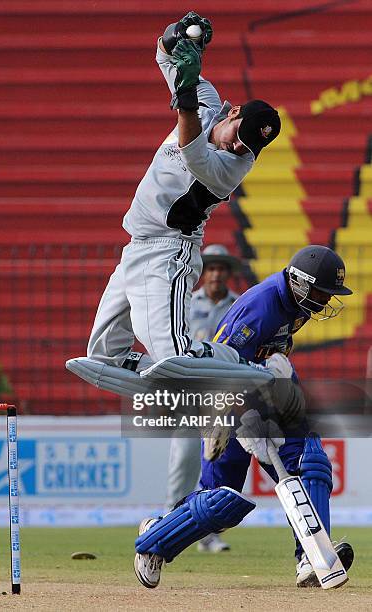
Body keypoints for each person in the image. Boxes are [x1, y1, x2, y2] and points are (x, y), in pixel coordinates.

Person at [73, 11, 280, 378]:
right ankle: (133, 364)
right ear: (232, 113)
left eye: (247, 147)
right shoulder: (207, 100)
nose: (237, 147)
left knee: (173, 352)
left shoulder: (235, 166)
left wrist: (185, 92)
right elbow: (164, 55)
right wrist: (180, 36)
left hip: (170, 251)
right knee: (103, 351)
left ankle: (243, 361)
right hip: (136, 244)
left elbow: (192, 150)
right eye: (238, 134)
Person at [134, 245, 355, 589]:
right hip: (227, 403)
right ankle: (156, 539)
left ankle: (312, 557)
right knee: (222, 501)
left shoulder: (298, 304)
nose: (326, 302)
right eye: (322, 293)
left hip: (272, 395)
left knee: (310, 463)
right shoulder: (259, 308)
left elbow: (270, 353)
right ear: (300, 282)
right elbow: (218, 368)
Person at [165, 244, 240, 552]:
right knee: (184, 457)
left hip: (223, 394)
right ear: (203, 272)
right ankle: (170, 520)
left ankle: (208, 532)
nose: (215, 274)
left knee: (215, 460)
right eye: (210, 268)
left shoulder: (238, 304)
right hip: (189, 391)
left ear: (228, 273)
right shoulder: (185, 302)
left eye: (221, 268)